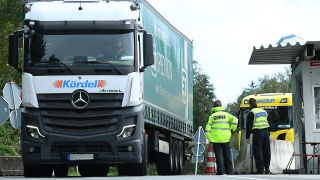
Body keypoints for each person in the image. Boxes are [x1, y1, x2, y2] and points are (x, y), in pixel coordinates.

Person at [205, 100, 238, 175]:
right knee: (227, 155)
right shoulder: (227, 115)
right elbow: (235, 120)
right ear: (221, 106)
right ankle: (229, 171)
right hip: (225, 138)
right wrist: (233, 128)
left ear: (214, 106)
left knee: (218, 155)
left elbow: (207, 128)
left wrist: (209, 138)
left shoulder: (212, 116)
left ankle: (220, 172)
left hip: (215, 139)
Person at [246, 98, 271, 174]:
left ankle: (260, 169)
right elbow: (269, 121)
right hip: (266, 132)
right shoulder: (264, 111)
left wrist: (247, 137)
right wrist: (269, 132)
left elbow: (249, 126)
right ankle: (267, 169)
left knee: (258, 151)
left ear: (250, 104)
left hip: (258, 133)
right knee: (266, 151)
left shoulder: (251, 113)